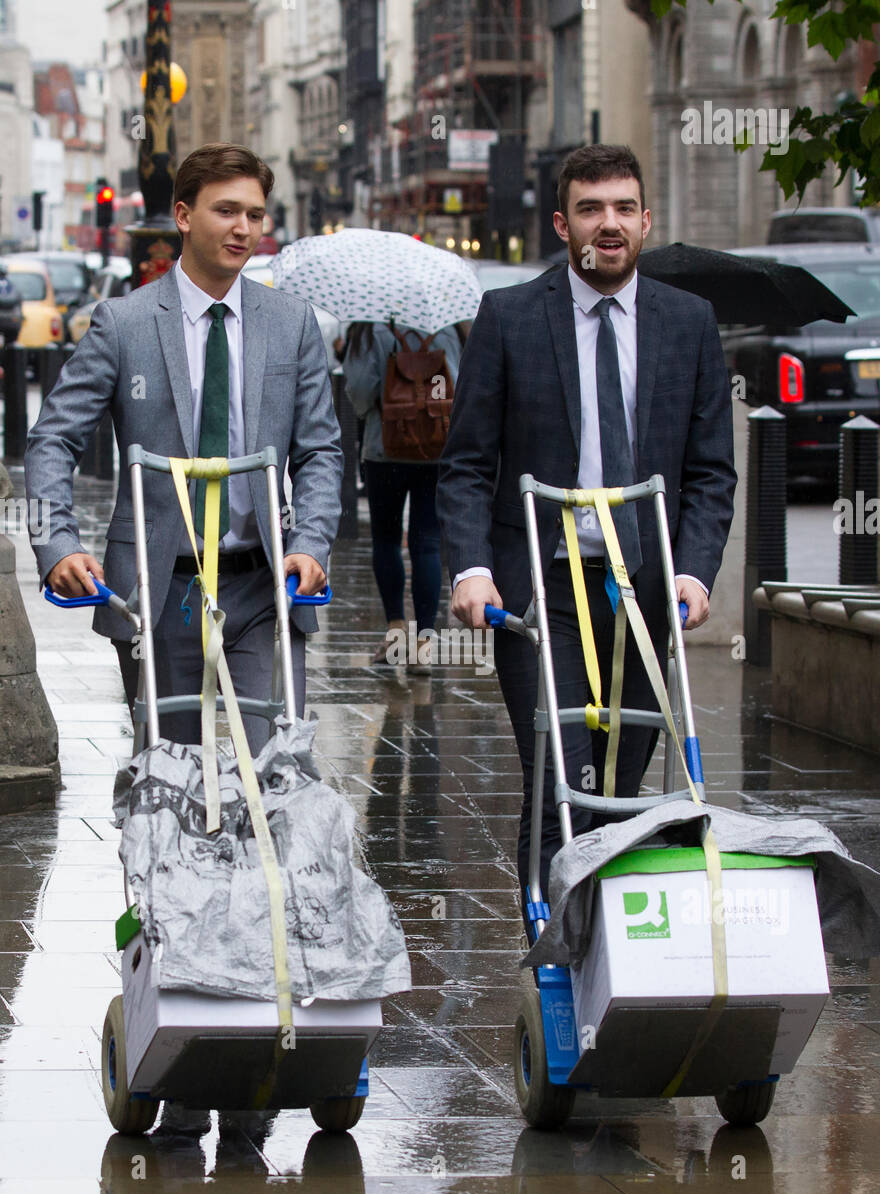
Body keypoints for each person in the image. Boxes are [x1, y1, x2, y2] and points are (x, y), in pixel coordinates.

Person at [436, 143, 736, 921]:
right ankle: (557, 962)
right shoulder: (508, 316)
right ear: (563, 221)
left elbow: (711, 473)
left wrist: (695, 575)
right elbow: (467, 462)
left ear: (646, 219)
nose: (610, 224)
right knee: (559, 775)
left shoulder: (688, 322)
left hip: (644, 587)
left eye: (624, 208)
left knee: (622, 778)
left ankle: (613, 946)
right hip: (541, 588)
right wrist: (470, 567)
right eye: (593, 209)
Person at [25, 143, 343, 752]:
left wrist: (311, 542)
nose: (243, 228)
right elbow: (53, 438)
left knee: (275, 771)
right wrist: (57, 543)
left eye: (254, 214)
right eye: (226, 211)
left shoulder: (291, 322)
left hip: (262, 584)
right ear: (183, 215)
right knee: (166, 784)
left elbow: (321, 451)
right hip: (160, 585)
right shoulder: (124, 323)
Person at [341, 319, 463, 673]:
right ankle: (425, 643)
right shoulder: (446, 330)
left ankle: (395, 634)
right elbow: (457, 385)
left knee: (387, 540)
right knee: (427, 542)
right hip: (436, 451)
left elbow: (360, 391)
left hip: (385, 451)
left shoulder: (372, 329)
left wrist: (378, 410)